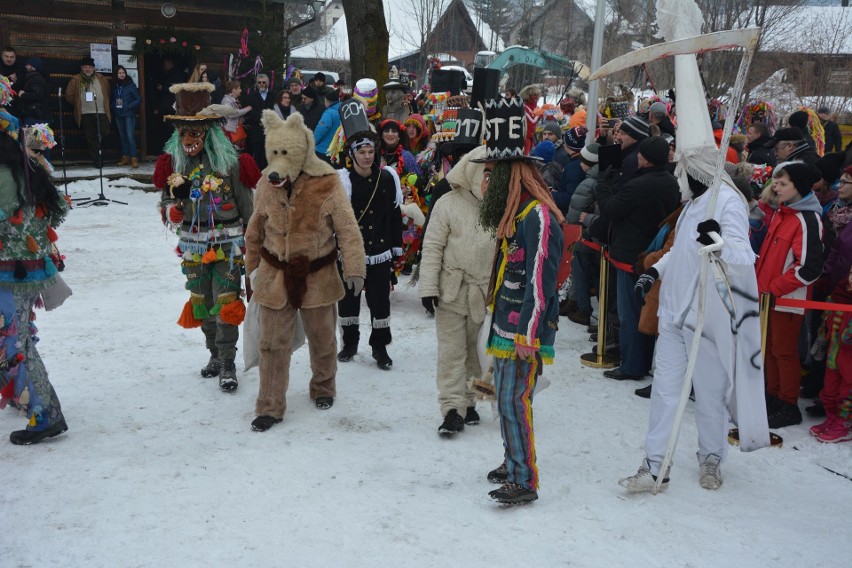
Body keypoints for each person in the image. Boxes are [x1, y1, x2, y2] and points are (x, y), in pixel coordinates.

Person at [244, 110, 365, 430]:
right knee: (271, 343)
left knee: (323, 338)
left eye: (286, 153)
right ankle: (269, 403)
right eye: (275, 153)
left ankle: (323, 386)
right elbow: (254, 232)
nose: (279, 161)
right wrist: (250, 273)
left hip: (318, 275)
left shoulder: (327, 182)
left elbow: (348, 230)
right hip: (274, 275)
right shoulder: (265, 184)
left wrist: (355, 267)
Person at [475, 96, 564, 505]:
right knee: (506, 397)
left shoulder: (538, 217)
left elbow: (540, 285)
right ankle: (513, 460)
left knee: (514, 400)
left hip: (523, 330)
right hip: (505, 324)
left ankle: (523, 479)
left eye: (491, 174)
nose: (485, 183)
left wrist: (530, 333)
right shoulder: (517, 214)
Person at [153, 82, 260, 392]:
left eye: (195, 133)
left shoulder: (231, 164)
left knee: (225, 303)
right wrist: (171, 211)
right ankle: (214, 354)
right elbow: (167, 201)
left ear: (209, 132)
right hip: (193, 248)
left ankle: (228, 362)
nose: (188, 140)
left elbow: (248, 209)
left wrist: (255, 248)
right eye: (183, 133)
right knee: (203, 302)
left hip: (227, 246)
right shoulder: (174, 165)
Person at [0, 88, 71, 444]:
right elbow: (56, 209)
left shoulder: (7, 171)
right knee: (15, 340)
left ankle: (45, 412)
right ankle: (26, 397)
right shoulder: (23, 165)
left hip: (11, 272)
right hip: (22, 269)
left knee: (14, 344)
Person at [419, 145, 493, 435]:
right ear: (473, 172)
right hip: (450, 290)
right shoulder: (448, 203)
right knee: (451, 352)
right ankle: (451, 409)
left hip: (483, 294)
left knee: (476, 353)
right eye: (485, 173)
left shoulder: (499, 207)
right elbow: (433, 245)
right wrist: (427, 286)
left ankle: (470, 400)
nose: (489, 181)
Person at [596, 136, 681, 381]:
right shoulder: (670, 182)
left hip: (630, 253)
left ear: (646, 157)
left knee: (630, 311)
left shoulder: (639, 185)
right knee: (645, 310)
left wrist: (602, 184)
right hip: (650, 254)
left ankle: (632, 365)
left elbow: (610, 209)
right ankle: (641, 362)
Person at [756, 161, 824, 428]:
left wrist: (774, 288)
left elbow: (809, 267)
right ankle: (773, 397)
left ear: (799, 187)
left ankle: (788, 404)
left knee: (783, 352)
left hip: (787, 299)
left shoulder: (807, 218)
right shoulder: (783, 214)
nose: (776, 187)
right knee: (771, 350)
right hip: (768, 298)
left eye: (783, 183)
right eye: (775, 181)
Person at [335, 101, 403, 371]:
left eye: (370, 151)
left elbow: (394, 215)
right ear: (353, 154)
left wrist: (396, 248)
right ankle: (349, 344)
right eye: (362, 152)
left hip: (380, 251)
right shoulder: (343, 181)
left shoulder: (388, 179)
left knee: (379, 301)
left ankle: (379, 347)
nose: (367, 156)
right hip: (351, 253)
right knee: (348, 300)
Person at [810, 265, 852, 443]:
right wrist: (821, 337)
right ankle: (833, 417)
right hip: (833, 352)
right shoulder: (839, 293)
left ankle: (845, 423)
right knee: (830, 386)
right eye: (851, 273)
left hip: (849, 356)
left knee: (847, 388)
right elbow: (826, 318)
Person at [64, 56, 111, 166]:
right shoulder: (76, 79)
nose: (87, 69)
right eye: (85, 67)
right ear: (81, 68)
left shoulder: (101, 78)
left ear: (94, 68)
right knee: (91, 137)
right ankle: (97, 160)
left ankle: (100, 154)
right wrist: (78, 104)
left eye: (90, 67)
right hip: (85, 113)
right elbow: (69, 95)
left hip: (101, 111)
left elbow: (108, 92)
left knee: (105, 132)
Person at [110, 65, 141, 168]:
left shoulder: (130, 85)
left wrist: (129, 105)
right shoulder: (114, 86)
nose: (122, 74)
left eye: (123, 72)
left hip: (128, 114)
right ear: (116, 74)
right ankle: (125, 157)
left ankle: (134, 158)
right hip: (118, 114)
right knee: (122, 137)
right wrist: (113, 107)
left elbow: (138, 99)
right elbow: (112, 99)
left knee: (130, 136)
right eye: (119, 73)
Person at [243, 74, 276, 170]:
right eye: (259, 82)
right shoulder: (251, 96)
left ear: (268, 83)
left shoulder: (274, 95)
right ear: (256, 84)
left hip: (270, 130)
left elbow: (275, 109)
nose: (261, 84)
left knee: (269, 155)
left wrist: (267, 121)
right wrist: (260, 120)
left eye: (264, 82)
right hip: (256, 130)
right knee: (257, 155)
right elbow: (249, 110)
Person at [17, 58, 51, 129]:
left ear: (33, 66)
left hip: (36, 116)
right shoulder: (36, 77)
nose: (26, 66)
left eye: (28, 65)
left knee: (33, 138)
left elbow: (37, 96)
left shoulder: (37, 79)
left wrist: (23, 95)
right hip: (37, 115)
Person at [219, 80, 251, 150]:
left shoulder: (233, 100)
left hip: (235, 131)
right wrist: (245, 110)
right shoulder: (226, 100)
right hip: (230, 133)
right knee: (232, 154)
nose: (241, 90)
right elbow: (231, 114)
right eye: (239, 88)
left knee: (237, 154)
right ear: (234, 89)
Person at [313, 89, 341, 162]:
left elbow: (321, 129)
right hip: (337, 150)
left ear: (329, 102)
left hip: (324, 150)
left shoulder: (329, 113)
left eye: (325, 101)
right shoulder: (342, 111)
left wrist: (313, 142)